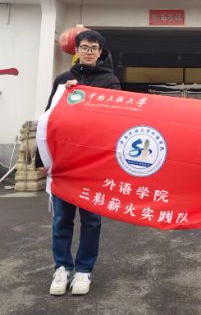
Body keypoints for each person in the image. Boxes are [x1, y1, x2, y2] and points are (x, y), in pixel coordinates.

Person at [36, 29, 121, 296]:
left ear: (101, 52)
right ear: (76, 50)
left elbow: (115, 119)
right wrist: (41, 157)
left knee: (91, 219)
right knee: (62, 218)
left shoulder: (109, 81)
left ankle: (84, 270)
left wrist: (85, 95)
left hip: (93, 162)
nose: (89, 52)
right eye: (84, 47)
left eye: (94, 48)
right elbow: (48, 117)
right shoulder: (63, 80)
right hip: (64, 160)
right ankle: (62, 267)